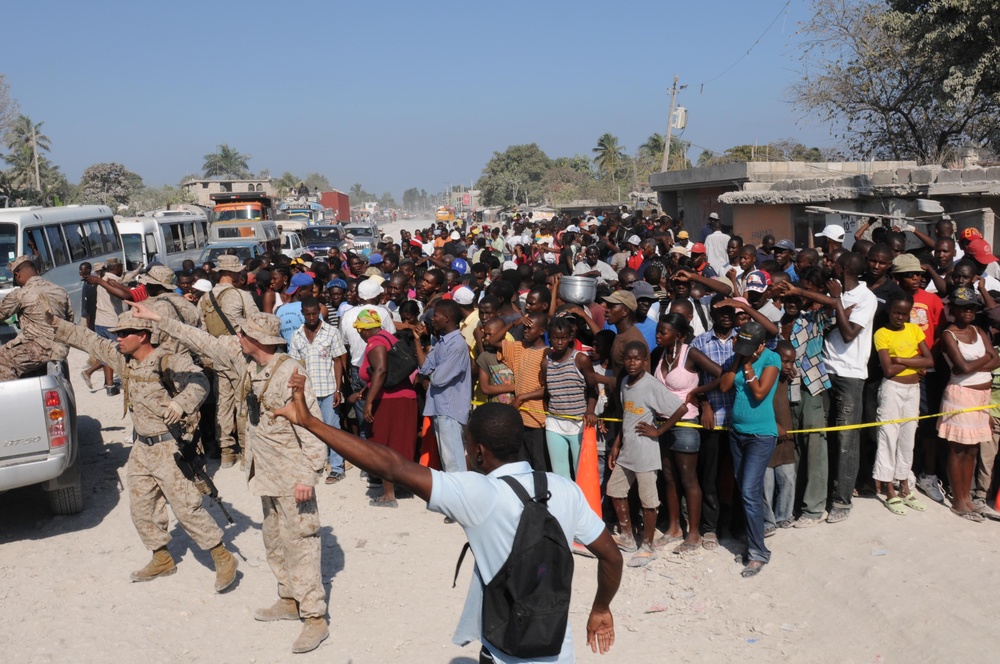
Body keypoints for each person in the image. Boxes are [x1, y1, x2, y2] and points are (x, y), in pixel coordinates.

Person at [274, 389, 623, 662]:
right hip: (558, 646)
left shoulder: (479, 493)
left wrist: (310, 423)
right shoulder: (564, 489)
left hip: (506, 650)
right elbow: (611, 557)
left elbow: (391, 466)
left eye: (468, 447)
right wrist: (601, 608)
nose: (467, 455)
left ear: (481, 452)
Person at [127, 302, 330, 654]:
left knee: (301, 545)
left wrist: (307, 476)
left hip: (292, 475)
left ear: (258, 340)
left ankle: (315, 617)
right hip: (266, 473)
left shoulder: (291, 374)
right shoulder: (248, 363)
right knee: (274, 541)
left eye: (244, 334)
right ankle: (289, 598)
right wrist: (159, 320)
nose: (238, 338)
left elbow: (311, 428)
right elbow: (204, 342)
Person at [50, 310, 236, 591]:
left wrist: (181, 403)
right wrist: (54, 323)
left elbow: (200, 382)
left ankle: (222, 556)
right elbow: (89, 340)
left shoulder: (168, 360)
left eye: (124, 334)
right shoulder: (123, 360)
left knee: (187, 508)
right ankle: (161, 558)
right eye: (117, 334)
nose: (118, 339)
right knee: (141, 507)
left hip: (169, 448)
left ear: (143, 336)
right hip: (141, 448)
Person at [608, 342, 685, 568]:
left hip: (645, 451)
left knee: (648, 500)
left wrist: (659, 430)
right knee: (615, 490)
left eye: (637, 359)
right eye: (628, 359)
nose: (632, 363)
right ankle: (627, 536)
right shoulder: (624, 382)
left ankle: (648, 545)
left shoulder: (651, 385)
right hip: (627, 450)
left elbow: (679, 408)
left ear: (645, 361)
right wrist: (616, 445)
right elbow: (626, 416)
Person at [651, 314, 721, 553]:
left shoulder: (689, 354)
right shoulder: (658, 354)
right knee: (669, 478)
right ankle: (673, 528)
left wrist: (698, 393)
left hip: (686, 424)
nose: (658, 335)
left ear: (679, 336)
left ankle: (694, 534)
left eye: (663, 332)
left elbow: (722, 375)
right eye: (658, 331)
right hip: (662, 423)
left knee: (688, 479)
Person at [719, 321, 781, 578]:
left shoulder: (772, 359)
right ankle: (751, 540)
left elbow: (759, 392)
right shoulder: (739, 357)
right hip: (738, 434)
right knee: (743, 490)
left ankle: (758, 552)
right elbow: (724, 386)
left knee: (749, 491)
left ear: (762, 345)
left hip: (760, 436)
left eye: (748, 347)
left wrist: (746, 366)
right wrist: (738, 360)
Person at [938, 288, 1000, 522]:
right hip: (961, 396)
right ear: (953, 309)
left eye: (972, 307)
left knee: (972, 449)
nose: (968, 311)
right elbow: (962, 368)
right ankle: (958, 500)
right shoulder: (948, 335)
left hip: (981, 399)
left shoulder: (978, 330)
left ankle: (967, 498)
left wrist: (975, 362)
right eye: (963, 307)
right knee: (958, 449)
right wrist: (985, 359)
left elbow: (996, 359)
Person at [873, 293, 934, 515]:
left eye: (904, 313)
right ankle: (889, 488)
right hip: (893, 389)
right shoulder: (882, 334)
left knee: (908, 438)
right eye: (896, 312)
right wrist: (913, 362)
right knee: (888, 436)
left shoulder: (914, 329)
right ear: (889, 311)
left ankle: (905, 486)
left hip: (913, 390)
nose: (900, 317)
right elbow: (887, 370)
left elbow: (929, 360)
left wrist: (899, 359)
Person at [199, 254, 260, 468]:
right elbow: (256, 323)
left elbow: (202, 330)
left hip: (216, 350)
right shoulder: (241, 295)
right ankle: (245, 451)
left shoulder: (205, 298)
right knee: (242, 399)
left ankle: (225, 450)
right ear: (233, 272)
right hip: (238, 348)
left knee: (222, 401)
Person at [354, 308, 418, 507]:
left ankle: (388, 495)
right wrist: (367, 390)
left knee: (384, 446)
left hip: (390, 401)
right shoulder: (388, 337)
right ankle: (402, 486)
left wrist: (370, 401)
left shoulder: (375, 343)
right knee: (400, 443)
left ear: (365, 330)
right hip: (405, 398)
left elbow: (380, 370)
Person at [289, 296, 348, 485]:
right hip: (309, 391)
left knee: (332, 428)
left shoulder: (331, 332)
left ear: (319, 311)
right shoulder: (297, 335)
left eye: (315, 313)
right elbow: (296, 365)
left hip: (329, 388)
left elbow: (338, 360)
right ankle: (316, 464)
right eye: (308, 314)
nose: (312, 317)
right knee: (310, 429)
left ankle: (337, 467)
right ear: (302, 314)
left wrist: (339, 389)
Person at [542, 317, 605, 480]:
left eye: (563, 338)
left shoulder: (580, 359)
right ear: (550, 338)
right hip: (555, 423)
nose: (560, 342)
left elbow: (593, 389)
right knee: (560, 473)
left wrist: (590, 411)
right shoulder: (546, 362)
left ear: (571, 338)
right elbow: (547, 391)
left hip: (578, 423)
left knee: (581, 472)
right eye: (555, 338)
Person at [414, 299, 473, 474]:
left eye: (436, 315)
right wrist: (418, 341)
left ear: (446, 318)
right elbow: (425, 368)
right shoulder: (442, 342)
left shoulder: (457, 345)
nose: (433, 319)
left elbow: (438, 378)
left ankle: (459, 499)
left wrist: (432, 373)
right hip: (440, 407)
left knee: (453, 463)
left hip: (450, 410)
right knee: (447, 460)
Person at [486, 312, 549, 471]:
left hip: (537, 419)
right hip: (519, 418)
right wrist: (513, 324)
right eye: (524, 328)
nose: (525, 331)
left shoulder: (546, 353)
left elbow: (547, 389)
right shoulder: (519, 347)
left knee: (539, 463)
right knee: (522, 463)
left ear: (542, 331)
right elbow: (493, 341)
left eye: (529, 328)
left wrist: (522, 397)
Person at [0, 256, 73, 382]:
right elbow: (70, 319)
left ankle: (10, 397)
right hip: (60, 348)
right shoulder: (60, 290)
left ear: (17, 275)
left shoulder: (21, 294)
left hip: (41, 348)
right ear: (37, 271)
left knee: (2, 361)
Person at [763, 341, 798, 536]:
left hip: (787, 436)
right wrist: (773, 424)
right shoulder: (767, 376)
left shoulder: (788, 377)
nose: (789, 366)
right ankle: (767, 521)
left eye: (792, 362)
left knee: (787, 477)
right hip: (768, 434)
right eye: (785, 361)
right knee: (766, 483)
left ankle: (784, 515)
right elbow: (759, 402)